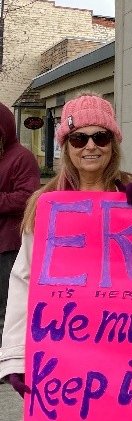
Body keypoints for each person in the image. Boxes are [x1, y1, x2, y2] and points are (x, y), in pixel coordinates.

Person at [0, 93, 132, 397]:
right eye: (78, 139)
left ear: (113, 143)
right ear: (66, 146)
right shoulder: (44, 204)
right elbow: (24, 280)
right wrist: (16, 357)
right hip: (65, 345)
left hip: (125, 343)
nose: (91, 146)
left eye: (101, 136)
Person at [0, 103, 40, 344]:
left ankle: (7, 357)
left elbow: (28, 197)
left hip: (9, 245)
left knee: (7, 307)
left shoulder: (21, 157)